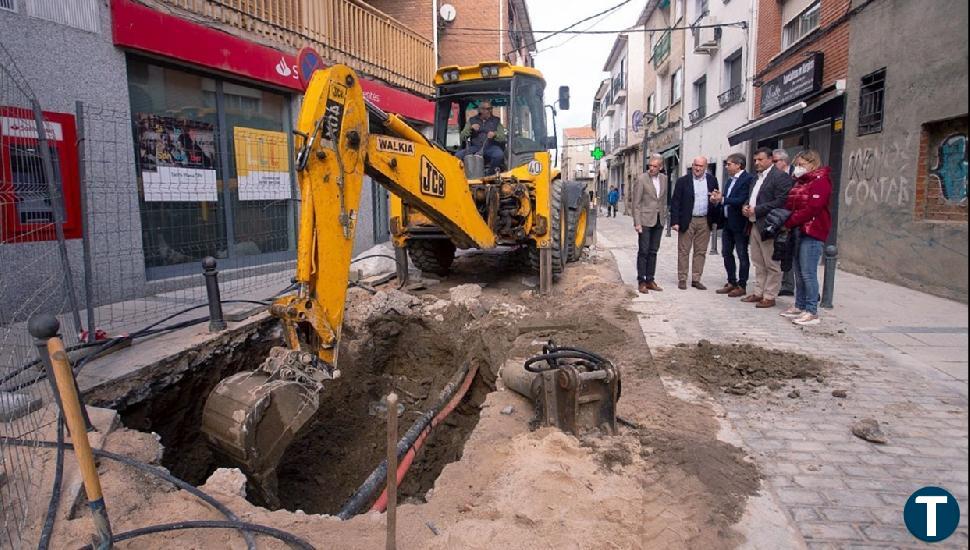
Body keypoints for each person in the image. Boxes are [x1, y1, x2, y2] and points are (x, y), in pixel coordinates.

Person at [779, 149, 832, 326]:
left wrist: (791, 220)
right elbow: (792, 202)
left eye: (802, 164)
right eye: (797, 164)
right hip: (798, 231)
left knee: (808, 273)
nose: (798, 168)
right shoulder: (800, 182)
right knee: (799, 272)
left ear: (812, 164)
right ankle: (800, 305)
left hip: (812, 231)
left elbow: (813, 208)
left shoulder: (820, 182)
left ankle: (812, 310)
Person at [741, 147, 793, 308]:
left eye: (760, 160)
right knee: (758, 261)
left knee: (771, 263)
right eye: (755, 160)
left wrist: (757, 209)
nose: (757, 163)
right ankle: (758, 292)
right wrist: (746, 207)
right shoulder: (757, 178)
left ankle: (770, 295)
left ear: (771, 159)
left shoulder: (780, 177)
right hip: (754, 223)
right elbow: (752, 198)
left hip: (770, 224)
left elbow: (781, 201)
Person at [670, 156, 719, 290]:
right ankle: (682, 278)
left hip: (704, 220)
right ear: (692, 165)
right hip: (688, 220)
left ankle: (696, 279)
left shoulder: (712, 180)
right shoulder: (682, 181)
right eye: (695, 165)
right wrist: (674, 221)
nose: (697, 168)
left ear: (706, 167)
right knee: (683, 251)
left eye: (700, 166)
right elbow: (675, 202)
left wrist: (715, 202)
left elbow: (715, 198)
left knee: (701, 251)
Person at [709, 153, 753, 297]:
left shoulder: (748, 179)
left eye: (729, 164)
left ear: (738, 165)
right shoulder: (729, 181)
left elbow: (741, 200)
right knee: (726, 252)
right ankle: (731, 281)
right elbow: (727, 199)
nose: (726, 167)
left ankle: (742, 284)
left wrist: (723, 199)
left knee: (741, 254)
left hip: (740, 223)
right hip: (727, 222)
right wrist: (718, 198)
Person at [632, 154, 668, 293]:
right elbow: (636, 203)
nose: (651, 169)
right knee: (644, 251)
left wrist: (664, 216)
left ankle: (650, 280)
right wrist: (637, 223)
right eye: (650, 166)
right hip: (645, 220)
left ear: (661, 167)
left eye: (654, 166)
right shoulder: (642, 179)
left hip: (658, 220)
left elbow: (663, 200)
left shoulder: (664, 179)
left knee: (653, 251)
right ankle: (641, 281)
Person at [455, 100, 506, 172]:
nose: (488, 111)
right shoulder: (472, 120)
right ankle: (465, 173)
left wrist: (495, 134)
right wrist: (470, 128)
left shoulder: (496, 121)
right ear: (479, 109)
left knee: (499, 155)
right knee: (458, 155)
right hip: (475, 147)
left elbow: (503, 138)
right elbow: (462, 137)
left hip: (491, 147)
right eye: (485, 109)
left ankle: (490, 173)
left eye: (490, 108)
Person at [773, 149, 796, 297]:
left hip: (793, 219)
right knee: (781, 250)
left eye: (775, 161)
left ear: (784, 161)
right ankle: (784, 283)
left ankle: (789, 284)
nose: (773, 164)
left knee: (791, 252)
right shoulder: (774, 177)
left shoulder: (795, 176)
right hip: (778, 218)